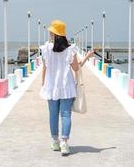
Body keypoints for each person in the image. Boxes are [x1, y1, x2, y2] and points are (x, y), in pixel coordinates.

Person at [40, 20, 94, 156]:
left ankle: (55, 141)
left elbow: (44, 69)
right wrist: (87, 57)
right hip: (66, 86)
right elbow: (76, 68)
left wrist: (43, 84)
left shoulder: (46, 49)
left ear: (54, 34)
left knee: (52, 114)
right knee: (65, 114)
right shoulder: (70, 50)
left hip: (51, 86)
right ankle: (64, 143)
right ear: (63, 34)